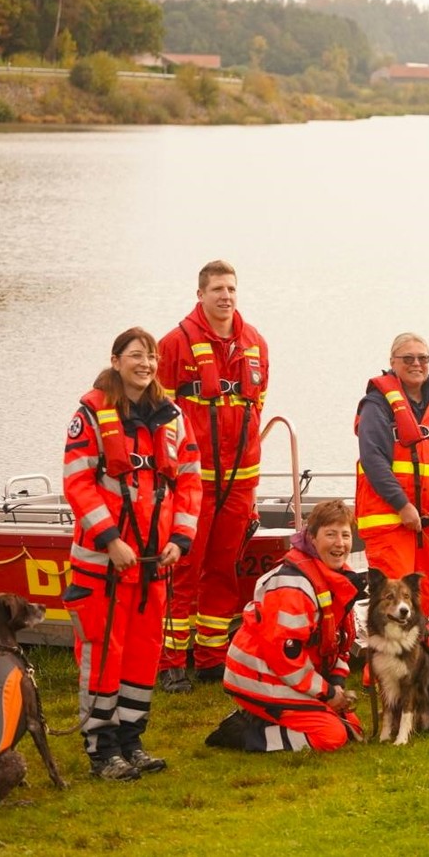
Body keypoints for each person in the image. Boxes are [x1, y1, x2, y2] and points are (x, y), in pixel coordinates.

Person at [62, 327, 202, 780]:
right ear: (116, 360)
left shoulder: (173, 417)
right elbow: (78, 482)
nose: (146, 363)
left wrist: (179, 541)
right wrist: (110, 540)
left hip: (151, 565)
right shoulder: (91, 413)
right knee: (103, 653)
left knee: (143, 654)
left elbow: (189, 484)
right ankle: (102, 750)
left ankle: (131, 740)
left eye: (152, 357)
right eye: (136, 355)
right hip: (104, 564)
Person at [157, 259, 269, 694]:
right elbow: (160, 419)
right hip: (191, 480)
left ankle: (210, 657)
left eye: (232, 289)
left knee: (224, 569)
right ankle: (170, 661)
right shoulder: (174, 344)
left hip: (241, 480)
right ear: (200, 294)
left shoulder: (255, 342)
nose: (226, 296)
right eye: (217, 289)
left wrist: (254, 491)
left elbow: (255, 408)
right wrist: (167, 481)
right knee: (184, 566)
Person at [209, 500, 365, 753]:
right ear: (312, 538)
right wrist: (327, 694)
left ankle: (265, 718)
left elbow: (340, 644)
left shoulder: (339, 579)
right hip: (261, 677)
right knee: (331, 736)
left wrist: (336, 685)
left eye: (345, 535)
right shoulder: (292, 587)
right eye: (330, 534)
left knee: (352, 725)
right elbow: (286, 659)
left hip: (286, 674)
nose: (340, 543)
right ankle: (242, 732)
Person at [355, 333, 429, 616]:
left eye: (423, 358)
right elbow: (373, 460)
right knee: (393, 610)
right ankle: (380, 662)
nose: (416, 363)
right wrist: (402, 505)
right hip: (392, 524)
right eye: (408, 358)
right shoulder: (376, 405)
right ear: (393, 362)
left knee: (423, 603)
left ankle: (418, 659)